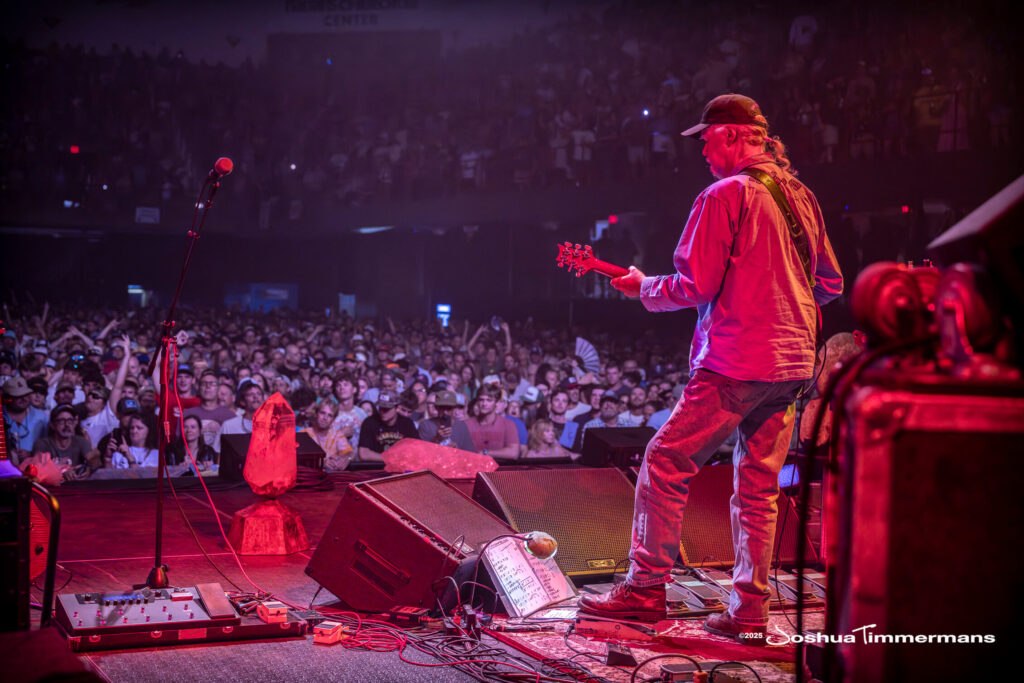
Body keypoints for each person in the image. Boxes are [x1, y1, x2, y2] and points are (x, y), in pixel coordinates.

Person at [578, 94, 843, 644]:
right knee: (759, 487)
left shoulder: (725, 195)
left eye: (705, 137)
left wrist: (641, 287)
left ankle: (645, 589)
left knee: (665, 459)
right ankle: (748, 609)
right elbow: (830, 284)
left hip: (737, 360)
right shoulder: (802, 196)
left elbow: (693, 285)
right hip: (794, 362)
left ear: (732, 135)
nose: (700, 148)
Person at [356, 390, 418, 461]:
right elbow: (363, 454)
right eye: (381, 408)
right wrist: (389, 459)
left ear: (396, 408)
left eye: (387, 409)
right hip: (376, 468)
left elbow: (416, 449)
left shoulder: (407, 423)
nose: (382, 412)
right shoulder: (369, 422)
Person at [302, 400, 354, 471]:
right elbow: (299, 459)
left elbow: (349, 452)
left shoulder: (337, 435)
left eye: (330, 415)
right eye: (322, 413)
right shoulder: (304, 434)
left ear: (333, 419)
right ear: (316, 414)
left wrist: (346, 459)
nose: (325, 418)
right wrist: (320, 463)